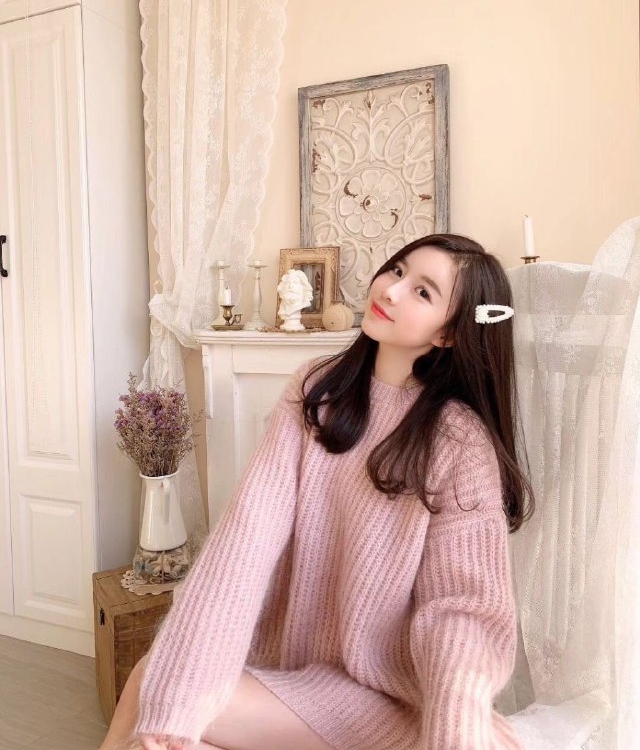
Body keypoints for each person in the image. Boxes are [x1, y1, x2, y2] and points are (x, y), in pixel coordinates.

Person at [100, 233, 534, 750]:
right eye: (397, 270)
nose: (391, 290)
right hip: (295, 674)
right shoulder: (317, 390)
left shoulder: (457, 441)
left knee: (153, 689)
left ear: (448, 333)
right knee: (158, 686)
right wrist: (181, 692)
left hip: (387, 699)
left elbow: (461, 611)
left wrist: (453, 734)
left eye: (423, 292)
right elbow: (245, 541)